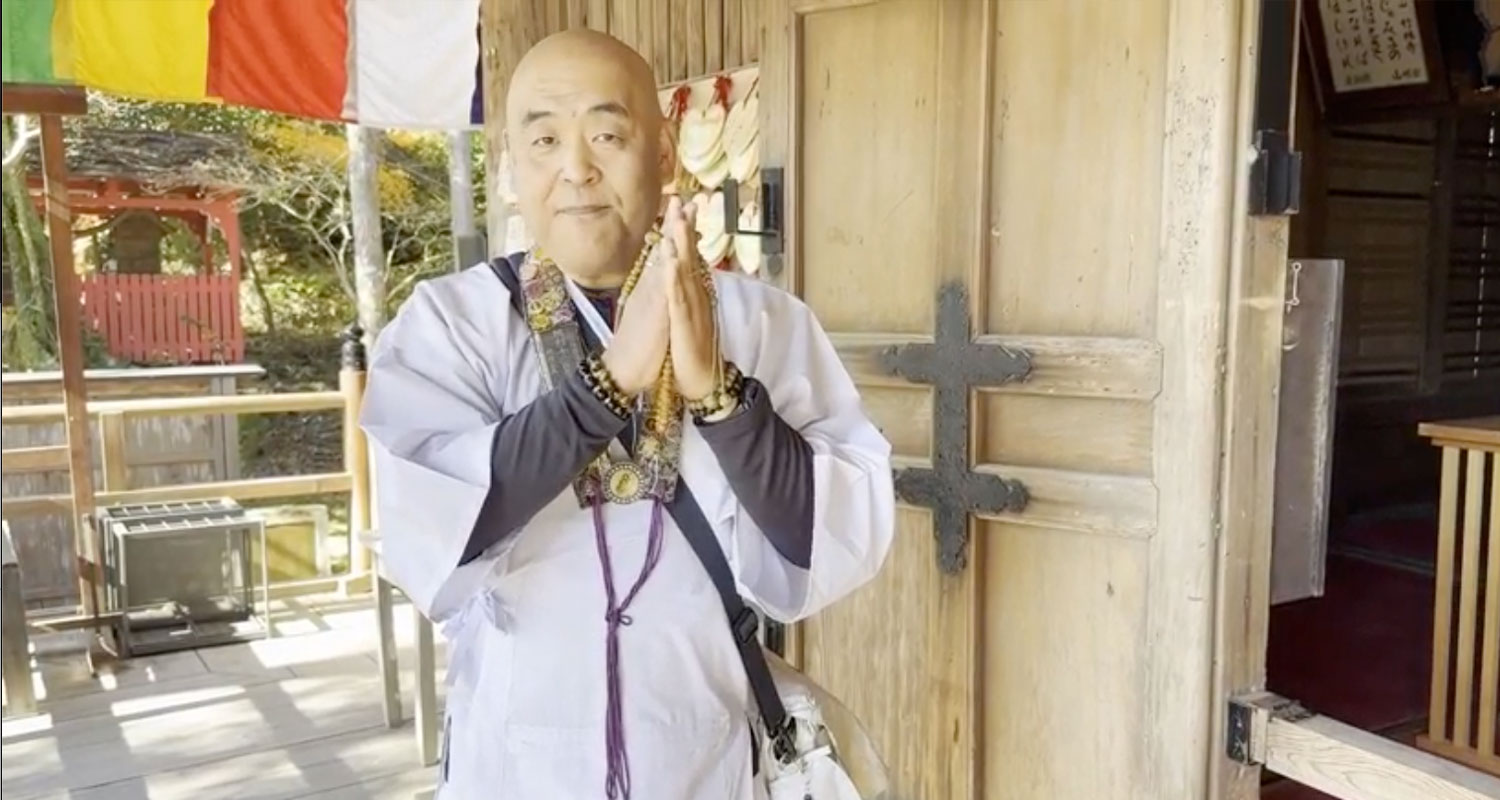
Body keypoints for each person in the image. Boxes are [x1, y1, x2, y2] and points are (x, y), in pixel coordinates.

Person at [359, 29, 894, 799]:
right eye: (543, 139)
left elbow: (823, 538)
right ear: (510, 169)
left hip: (703, 750)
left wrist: (718, 394)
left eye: (607, 134)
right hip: (521, 756)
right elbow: (435, 525)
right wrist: (609, 384)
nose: (575, 167)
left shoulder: (762, 324)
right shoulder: (452, 324)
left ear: (666, 153)